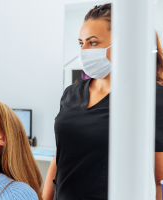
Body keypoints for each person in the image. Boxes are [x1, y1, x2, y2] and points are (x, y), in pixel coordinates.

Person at [42, 3, 163, 200]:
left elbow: (160, 181)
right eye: (81, 43)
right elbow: (60, 156)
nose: (84, 50)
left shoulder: (150, 98)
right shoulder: (71, 93)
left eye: (93, 43)